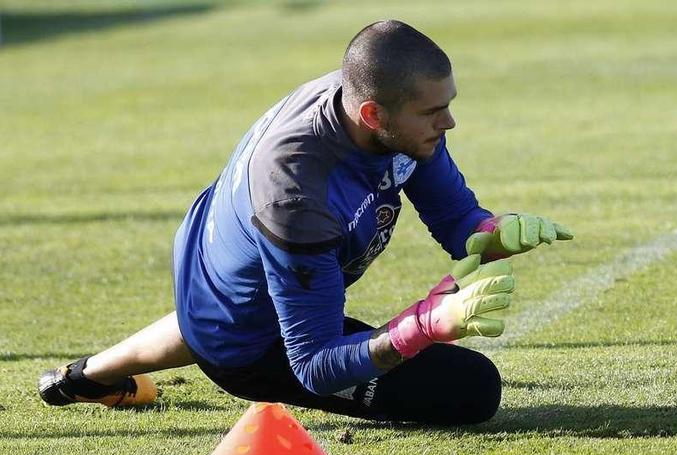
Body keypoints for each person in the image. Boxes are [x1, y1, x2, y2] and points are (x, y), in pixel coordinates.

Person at [37, 20, 572, 425]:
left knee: (227, 310)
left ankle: (84, 378)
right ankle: (201, 346)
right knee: (472, 390)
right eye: (433, 112)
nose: (448, 121)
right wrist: (423, 326)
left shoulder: (380, 101)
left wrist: (488, 231)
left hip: (224, 273)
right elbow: (315, 365)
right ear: (372, 116)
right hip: (248, 338)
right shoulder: (298, 192)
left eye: (448, 104)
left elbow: (454, 215)